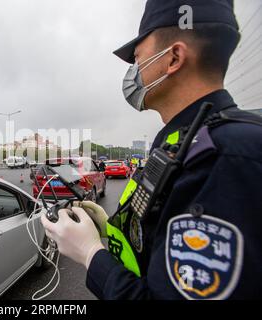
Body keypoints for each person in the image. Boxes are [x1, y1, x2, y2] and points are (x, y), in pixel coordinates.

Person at [42, 0, 262, 300]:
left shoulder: (226, 157)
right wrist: (108, 230)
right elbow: (162, 242)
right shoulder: (184, 140)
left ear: (173, 58)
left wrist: (90, 253)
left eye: (137, 57)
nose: (134, 70)